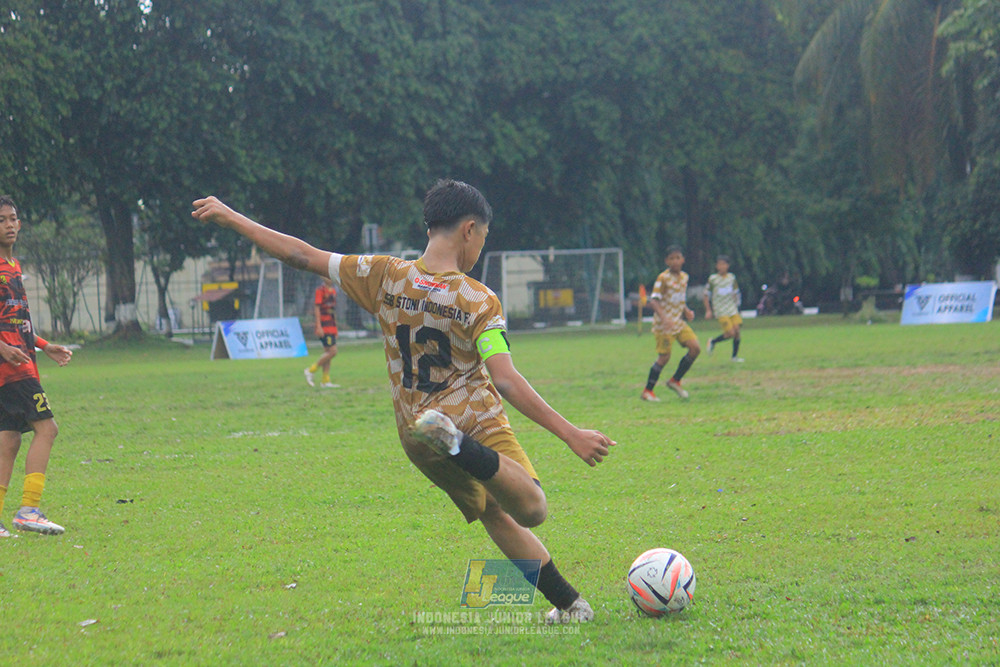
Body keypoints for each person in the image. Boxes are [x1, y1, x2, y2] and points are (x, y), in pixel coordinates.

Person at [192, 180, 615, 623]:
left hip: (418, 432)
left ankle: (569, 605)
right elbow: (505, 380)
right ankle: (461, 445)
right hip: (474, 418)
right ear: (469, 230)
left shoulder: (383, 274)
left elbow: (301, 255)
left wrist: (231, 217)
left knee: (494, 513)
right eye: (483, 237)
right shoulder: (478, 299)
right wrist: (571, 434)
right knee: (532, 508)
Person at [0, 195, 74, 536]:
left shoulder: (13, 266)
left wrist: (45, 346)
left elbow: (17, 321)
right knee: (47, 429)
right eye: (1, 220)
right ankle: (28, 510)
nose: (9, 225)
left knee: (9, 440)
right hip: (13, 369)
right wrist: (3, 348)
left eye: (12, 218)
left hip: (17, 364)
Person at [640, 246, 700, 401]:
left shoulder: (684, 277)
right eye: (672, 258)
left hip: (678, 322)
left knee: (695, 348)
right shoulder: (663, 278)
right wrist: (665, 319)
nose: (675, 261)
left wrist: (686, 310)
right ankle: (647, 391)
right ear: (667, 261)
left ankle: (675, 380)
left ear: (683, 259)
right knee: (664, 357)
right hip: (664, 325)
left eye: (678, 258)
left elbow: (679, 298)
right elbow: (654, 301)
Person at [703, 255, 744, 362]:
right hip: (720, 310)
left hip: (732, 308)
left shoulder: (731, 278)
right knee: (730, 333)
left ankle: (734, 357)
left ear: (728, 266)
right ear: (716, 266)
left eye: (724, 264)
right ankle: (713, 342)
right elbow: (706, 295)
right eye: (719, 264)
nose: (722, 266)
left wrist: (738, 306)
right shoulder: (713, 279)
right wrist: (708, 310)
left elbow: (736, 292)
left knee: (737, 331)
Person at [304, 277, 340, 388]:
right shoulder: (320, 290)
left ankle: (325, 381)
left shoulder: (333, 291)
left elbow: (333, 311)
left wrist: (336, 327)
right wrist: (318, 326)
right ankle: (311, 370)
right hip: (324, 326)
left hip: (331, 326)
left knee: (327, 353)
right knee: (333, 351)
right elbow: (317, 308)